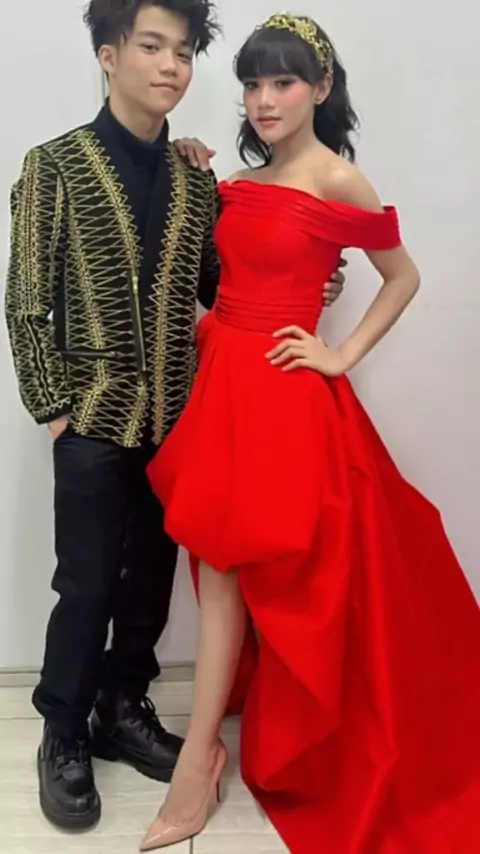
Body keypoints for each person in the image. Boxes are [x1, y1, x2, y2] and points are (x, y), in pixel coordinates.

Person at [3, 0, 345, 834]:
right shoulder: (55, 166)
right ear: (108, 55)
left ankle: (123, 706)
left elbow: (217, 286)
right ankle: (63, 729)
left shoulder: (195, 178)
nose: (170, 66)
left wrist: (310, 277)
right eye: (152, 47)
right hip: (91, 416)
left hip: (181, 416)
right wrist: (55, 409)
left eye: (184, 52)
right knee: (85, 580)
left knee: (150, 576)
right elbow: (25, 302)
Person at [143, 12, 480, 853]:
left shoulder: (339, 180)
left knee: (254, 565)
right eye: (253, 84)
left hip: (284, 394)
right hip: (225, 379)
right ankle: (201, 756)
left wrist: (340, 354)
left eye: (284, 82)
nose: (264, 100)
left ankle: (199, 760)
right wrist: (191, 166)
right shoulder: (240, 179)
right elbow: (226, 262)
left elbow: (402, 278)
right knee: (218, 560)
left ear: (321, 88)